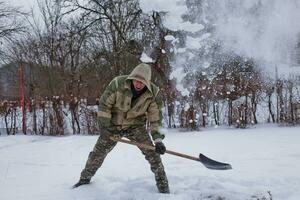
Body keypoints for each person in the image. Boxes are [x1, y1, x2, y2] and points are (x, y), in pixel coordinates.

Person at [73, 63, 170, 193]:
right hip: (113, 125)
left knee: (153, 155)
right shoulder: (118, 83)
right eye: (136, 80)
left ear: (147, 82)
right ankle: (84, 180)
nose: (138, 84)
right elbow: (104, 105)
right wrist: (105, 128)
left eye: (142, 82)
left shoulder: (153, 94)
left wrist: (158, 141)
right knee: (98, 154)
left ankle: (163, 188)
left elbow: (155, 119)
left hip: (135, 126)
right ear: (132, 78)